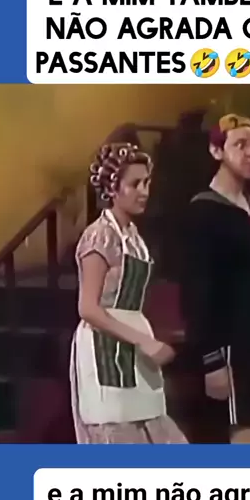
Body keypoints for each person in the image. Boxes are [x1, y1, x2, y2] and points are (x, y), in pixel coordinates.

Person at [70, 142, 188, 444]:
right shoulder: (99, 236)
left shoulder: (133, 237)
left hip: (134, 346)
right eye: (135, 184)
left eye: (147, 183)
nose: (144, 191)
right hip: (104, 347)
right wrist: (144, 341)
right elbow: (88, 308)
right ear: (113, 188)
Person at [180, 113, 250, 444]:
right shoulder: (204, 213)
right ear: (217, 151)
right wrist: (211, 361)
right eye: (240, 145)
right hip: (233, 351)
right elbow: (197, 294)